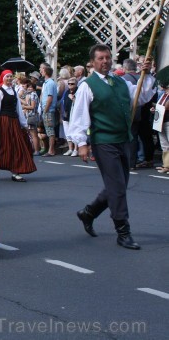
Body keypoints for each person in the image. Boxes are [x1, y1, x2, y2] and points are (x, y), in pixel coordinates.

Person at [71, 44, 155, 250]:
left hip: (123, 139)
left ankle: (88, 213)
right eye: (100, 58)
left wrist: (146, 73)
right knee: (117, 186)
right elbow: (79, 116)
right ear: (92, 62)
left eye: (107, 57)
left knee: (117, 185)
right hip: (103, 141)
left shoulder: (121, 82)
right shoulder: (87, 86)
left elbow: (142, 97)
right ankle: (123, 232)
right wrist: (81, 143)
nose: (105, 61)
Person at [0, 70, 37, 182]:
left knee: (16, 146)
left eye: (11, 76)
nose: (9, 79)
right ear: (3, 79)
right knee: (4, 146)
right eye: (7, 77)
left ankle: (16, 172)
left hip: (14, 122)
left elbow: (18, 109)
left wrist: (24, 124)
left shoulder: (14, 92)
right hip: (3, 122)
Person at [40, 64, 58, 156]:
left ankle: (51, 150)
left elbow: (50, 98)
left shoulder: (50, 83)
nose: (40, 71)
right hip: (46, 109)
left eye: (42, 69)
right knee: (48, 130)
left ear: (46, 71)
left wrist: (46, 110)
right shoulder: (46, 83)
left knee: (50, 130)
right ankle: (50, 149)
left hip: (48, 110)